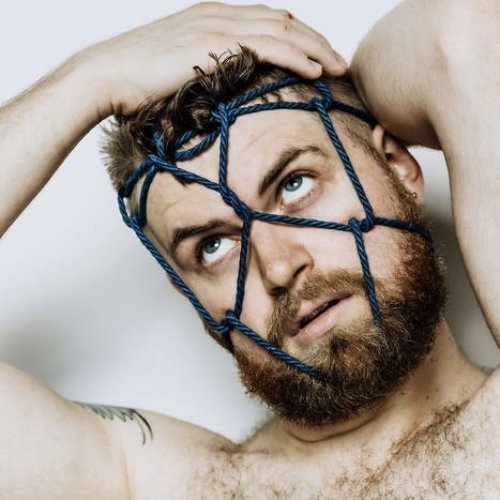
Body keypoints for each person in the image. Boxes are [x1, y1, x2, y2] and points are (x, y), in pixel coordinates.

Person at [0, 1, 498, 498]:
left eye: (295, 184)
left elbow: (464, 31)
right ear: (189, 294)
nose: (278, 267)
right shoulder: (155, 483)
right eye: (213, 245)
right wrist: (92, 79)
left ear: (396, 166)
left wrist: (339, 84)